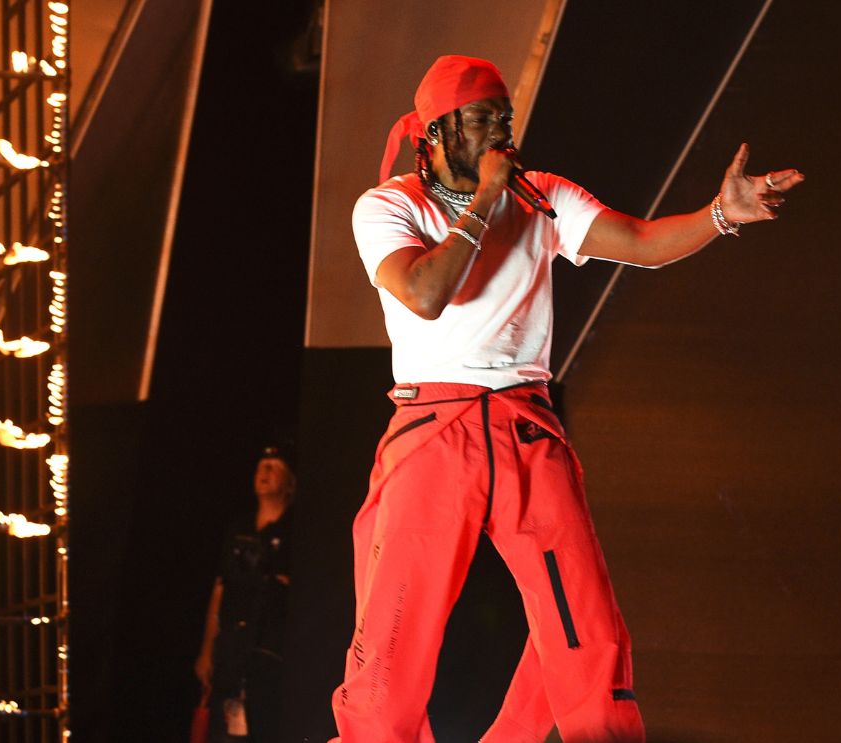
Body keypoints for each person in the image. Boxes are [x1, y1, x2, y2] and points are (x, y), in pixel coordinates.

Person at [331, 55, 804, 743]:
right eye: (482, 118)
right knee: (391, 653)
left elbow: (639, 242)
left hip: (526, 430)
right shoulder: (390, 205)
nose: (501, 132)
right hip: (433, 431)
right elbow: (426, 294)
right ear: (434, 132)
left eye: (506, 117)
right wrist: (488, 203)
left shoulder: (542, 195)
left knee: (587, 628)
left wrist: (718, 216)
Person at [196, 444, 297, 742]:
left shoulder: (294, 531)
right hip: (230, 648)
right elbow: (220, 589)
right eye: (260, 467)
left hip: (266, 653)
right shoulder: (238, 528)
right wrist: (207, 649)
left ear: (290, 481)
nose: (263, 473)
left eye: (272, 468)